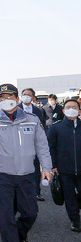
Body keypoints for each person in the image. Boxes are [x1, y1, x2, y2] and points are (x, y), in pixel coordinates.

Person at [0, 84, 52, 242]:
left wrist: (46, 167)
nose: (6, 100)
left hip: (27, 175)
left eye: (10, 96)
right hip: (3, 176)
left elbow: (42, 146)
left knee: (30, 213)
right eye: (2, 98)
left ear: (17, 98)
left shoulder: (32, 119)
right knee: (5, 217)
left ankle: (20, 232)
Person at [47, 99, 81, 232]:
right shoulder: (56, 127)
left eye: (74, 107)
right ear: (63, 110)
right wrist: (53, 165)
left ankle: (76, 206)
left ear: (79, 111)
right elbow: (51, 147)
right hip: (64, 169)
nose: (71, 109)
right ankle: (75, 221)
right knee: (69, 196)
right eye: (68, 107)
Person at [18, 88, 47, 202]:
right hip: (19, 144)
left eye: (28, 95)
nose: (26, 96)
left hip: (34, 144)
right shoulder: (16, 109)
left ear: (33, 98)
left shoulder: (38, 111)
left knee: (35, 168)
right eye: (24, 94)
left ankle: (36, 192)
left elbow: (42, 126)